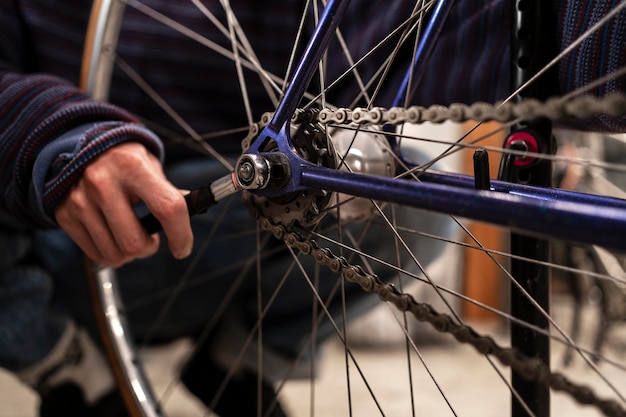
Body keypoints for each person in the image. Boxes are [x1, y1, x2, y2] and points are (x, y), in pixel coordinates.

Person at [0, 1, 624, 416]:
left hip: (214, 225)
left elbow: (435, 37)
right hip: (57, 252)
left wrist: (580, 38)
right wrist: (54, 135)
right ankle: (62, 365)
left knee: (410, 188)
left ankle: (238, 366)